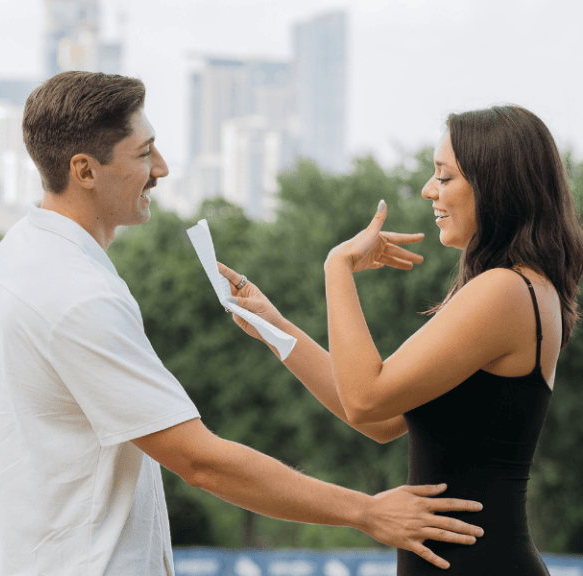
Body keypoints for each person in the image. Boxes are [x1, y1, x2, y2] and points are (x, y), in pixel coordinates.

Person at [0, 70, 485, 576]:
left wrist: (275, 328)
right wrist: (367, 513)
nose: (163, 169)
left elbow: (376, 414)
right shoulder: (77, 295)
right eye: (145, 153)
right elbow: (201, 462)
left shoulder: (17, 257)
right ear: (84, 170)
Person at [220, 104, 583, 575]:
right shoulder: (514, 288)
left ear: (496, 185)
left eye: (445, 177)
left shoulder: (506, 291)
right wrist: (274, 327)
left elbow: (365, 398)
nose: (428, 190)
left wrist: (338, 268)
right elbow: (383, 418)